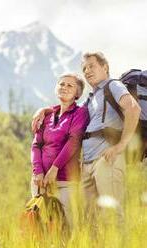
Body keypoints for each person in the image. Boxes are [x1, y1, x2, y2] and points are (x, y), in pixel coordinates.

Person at [32, 52, 141, 227]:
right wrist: (45, 110)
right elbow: (69, 107)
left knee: (112, 214)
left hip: (107, 159)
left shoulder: (113, 85)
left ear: (105, 67)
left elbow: (133, 108)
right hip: (88, 164)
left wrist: (121, 145)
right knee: (90, 220)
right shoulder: (91, 98)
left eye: (92, 66)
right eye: (84, 68)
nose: (87, 70)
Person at [31, 73, 89, 229]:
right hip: (40, 181)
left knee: (67, 228)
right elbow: (36, 145)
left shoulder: (80, 113)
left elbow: (74, 141)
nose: (64, 87)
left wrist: (54, 169)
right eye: (62, 84)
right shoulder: (47, 115)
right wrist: (38, 172)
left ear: (77, 93)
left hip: (66, 180)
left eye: (70, 85)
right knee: (40, 227)